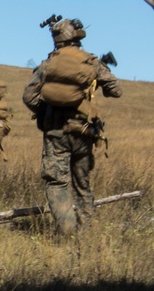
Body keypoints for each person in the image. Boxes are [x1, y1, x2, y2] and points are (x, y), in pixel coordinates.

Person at [23, 17, 122, 236]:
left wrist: (45, 108)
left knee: (56, 182)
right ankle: (85, 230)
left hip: (56, 133)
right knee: (82, 183)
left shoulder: (48, 64)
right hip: (84, 132)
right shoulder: (92, 62)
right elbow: (116, 90)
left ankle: (67, 229)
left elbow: (29, 96)